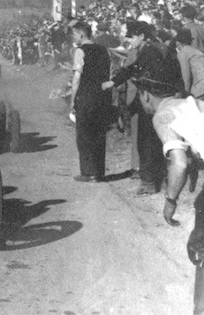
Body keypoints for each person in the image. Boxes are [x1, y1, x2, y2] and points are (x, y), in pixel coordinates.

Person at [135, 76, 204, 314]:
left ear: (145, 95)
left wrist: (171, 200)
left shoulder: (163, 116)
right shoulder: (195, 104)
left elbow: (179, 163)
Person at [102, 21, 183, 194]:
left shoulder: (149, 50)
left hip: (152, 101)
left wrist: (113, 81)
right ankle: (162, 178)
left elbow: (134, 69)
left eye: (132, 36)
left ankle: (148, 183)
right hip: (169, 99)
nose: (129, 40)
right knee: (162, 140)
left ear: (142, 36)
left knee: (146, 141)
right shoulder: (163, 47)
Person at [70, 21, 112, 182]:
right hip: (102, 96)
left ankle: (88, 172)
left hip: (86, 96)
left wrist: (72, 100)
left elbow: (77, 78)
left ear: (81, 34)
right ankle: (99, 172)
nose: (73, 37)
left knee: (84, 135)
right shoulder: (104, 50)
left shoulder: (80, 51)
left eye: (74, 34)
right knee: (99, 134)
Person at [176, 28, 204, 100]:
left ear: (178, 42)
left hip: (198, 89)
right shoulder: (196, 51)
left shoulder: (183, 53)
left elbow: (186, 76)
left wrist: (185, 94)